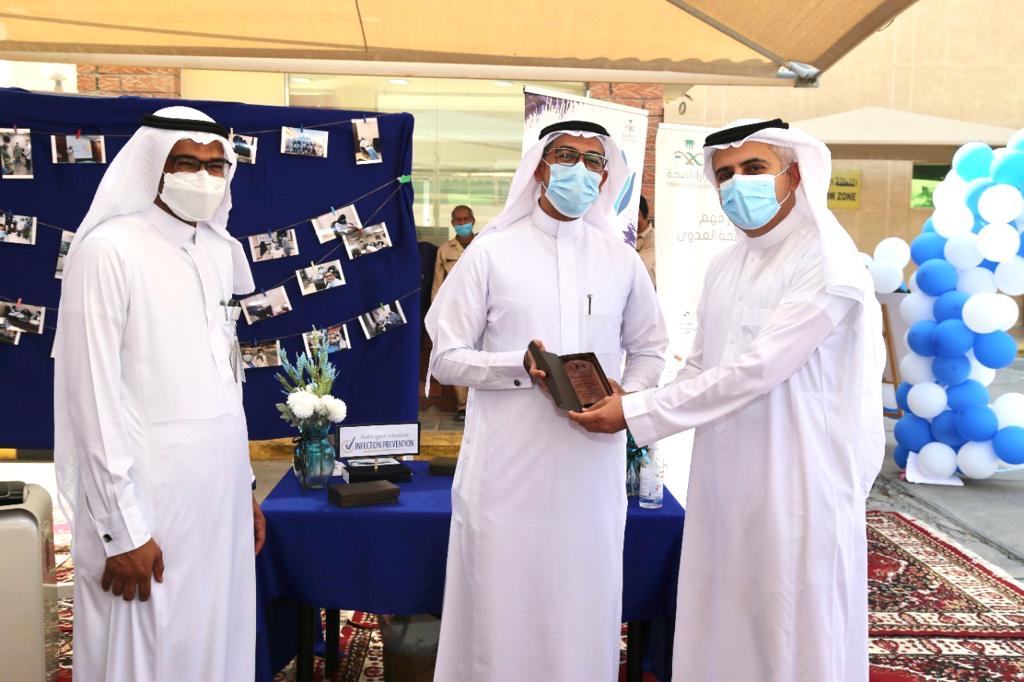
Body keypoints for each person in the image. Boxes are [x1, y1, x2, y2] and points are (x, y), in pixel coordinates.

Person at [570, 118, 885, 681]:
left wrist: (636, 414)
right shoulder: (726, 263)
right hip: (724, 473)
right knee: (722, 611)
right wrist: (636, 395)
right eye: (726, 174)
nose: (738, 183)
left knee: (789, 620)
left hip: (799, 475)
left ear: (794, 175)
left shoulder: (825, 258)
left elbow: (759, 369)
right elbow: (701, 365)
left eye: (754, 168)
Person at [425, 119, 668, 681]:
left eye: (592, 160)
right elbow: (446, 359)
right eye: (565, 156)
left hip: (590, 473)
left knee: (583, 604)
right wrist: (518, 366)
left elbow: (651, 349)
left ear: (604, 177)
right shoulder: (491, 253)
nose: (579, 169)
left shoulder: (621, 260)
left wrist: (628, 398)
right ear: (539, 168)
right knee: (502, 606)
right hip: (507, 472)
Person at [53, 106, 264, 682]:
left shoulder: (217, 250)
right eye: (186, 163)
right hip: (147, 502)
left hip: (217, 499)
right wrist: (122, 531)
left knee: (218, 641)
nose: (203, 176)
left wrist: (244, 487)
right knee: (147, 651)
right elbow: (91, 400)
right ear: (153, 166)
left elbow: (228, 382)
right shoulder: (109, 250)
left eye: (215, 165)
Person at [431, 204, 477, 421]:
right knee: (459, 355)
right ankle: (463, 406)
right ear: (452, 224)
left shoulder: (484, 244)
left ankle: (479, 404)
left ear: (473, 221)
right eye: (458, 220)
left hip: (480, 309)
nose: (462, 223)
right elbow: (437, 285)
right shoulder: (444, 250)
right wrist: (436, 314)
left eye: (466, 219)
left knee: (481, 355)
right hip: (455, 311)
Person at [635, 195, 656, 286]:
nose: (633, 219)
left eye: (637, 215)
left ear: (646, 214)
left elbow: (639, 266)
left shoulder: (653, 237)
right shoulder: (623, 233)